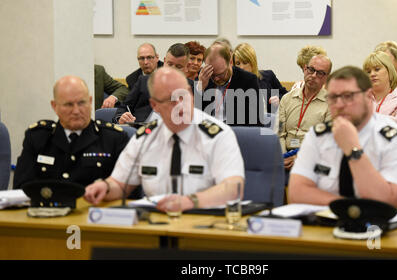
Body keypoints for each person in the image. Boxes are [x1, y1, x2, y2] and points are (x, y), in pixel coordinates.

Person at [84, 67, 245, 212]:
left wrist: (189, 202)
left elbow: (233, 188)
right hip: (155, 225)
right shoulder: (145, 137)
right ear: (155, 105)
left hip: (203, 226)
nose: (180, 105)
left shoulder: (218, 135)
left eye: (184, 96)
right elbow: (119, 184)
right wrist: (104, 187)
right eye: (172, 100)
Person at [288, 66, 397, 213]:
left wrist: (353, 149)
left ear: (369, 96)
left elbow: (387, 203)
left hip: (386, 230)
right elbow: (296, 193)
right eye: (333, 97)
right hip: (328, 224)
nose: (339, 104)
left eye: (348, 96)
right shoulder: (318, 136)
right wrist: (347, 206)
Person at [13, 76, 129, 188]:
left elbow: (127, 192)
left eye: (81, 103)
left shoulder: (113, 138)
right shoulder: (38, 138)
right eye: (68, 104)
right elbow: (21, 187)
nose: (76, 111)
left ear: (90, 101)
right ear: (54, 106)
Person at [278, 54, 332, 171]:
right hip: (284, 157)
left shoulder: (331, 104)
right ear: (305, 68)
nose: (313, 75)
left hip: (312, 160)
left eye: (320, 73)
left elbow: (326, 141)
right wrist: (283, 157)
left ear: (327, 77)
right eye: (311, 70)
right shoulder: (287, 99)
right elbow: (279, 133)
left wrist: (299, 158)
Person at [115, 43, 191, 125]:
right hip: (142, 129)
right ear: (164, 61)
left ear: (187, 67)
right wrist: (121, 118)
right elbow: (124, 107)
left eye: (178, 67)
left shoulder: (192, 87)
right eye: (169, 64)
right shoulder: (144, 81)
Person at [197, 42, 264, 127]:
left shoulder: (248, 80)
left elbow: (255, 121)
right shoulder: (204, 77)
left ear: (231, 62)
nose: (216, 79)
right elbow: (194, 117)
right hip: (208, 133)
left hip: (236, 134)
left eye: (221, 74)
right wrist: (200, 88)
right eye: (213, 75)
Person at [363, 51, 397, 131]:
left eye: (377, 69)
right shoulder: (360, 98)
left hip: (395, 142)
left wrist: (366, 120)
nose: (372, 74)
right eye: (368, 72)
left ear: (389, 71)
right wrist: (390, 119)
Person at [233, 42, 287, 113]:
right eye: (238, 63)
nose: (241, 67)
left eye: (245, 62)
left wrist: (279, 99)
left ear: (253, 62)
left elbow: (286, 95)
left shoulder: (268, 76)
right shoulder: (233, 84)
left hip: (269, 121)